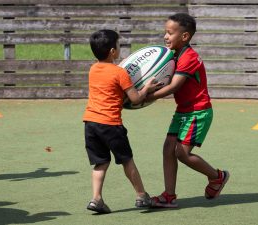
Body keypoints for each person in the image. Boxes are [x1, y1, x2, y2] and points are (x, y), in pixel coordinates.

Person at [146, 13, 230, 208]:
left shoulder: (188, 57)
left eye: (170, 33)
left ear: (184, 37)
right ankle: (169, 195)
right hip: (183, 111)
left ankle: (217, 177)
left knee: (182, 153)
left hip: (197, 112)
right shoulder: (173, 55)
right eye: (165, 32)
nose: (165, 36)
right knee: (168, 149)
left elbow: (174, 86)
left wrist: (144, 97)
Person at [83, 29, 161, 213]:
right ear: (112, 51)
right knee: (127, 160)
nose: (120, 48)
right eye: (118, 45)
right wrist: (147, 87)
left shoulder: (93, 69)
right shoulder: (120, 73)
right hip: (110, 125)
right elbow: (135, 98)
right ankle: (142, 195)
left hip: (90, 123)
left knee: (100, 163)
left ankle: (96, 199)